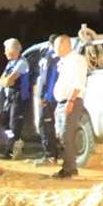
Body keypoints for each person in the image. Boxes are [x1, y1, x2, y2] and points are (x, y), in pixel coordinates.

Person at [51, 35, 89, 179]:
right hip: (62, 102)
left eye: (55, 46)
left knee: (67, 135)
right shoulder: (65, 61)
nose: (54, 49)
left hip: (71, 102)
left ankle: (68, 169)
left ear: (63, 45)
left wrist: (71, 101)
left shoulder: (76, 60)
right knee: (62, 135)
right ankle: (70, 167)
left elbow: (78, 83)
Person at [0, 38, 31, 160]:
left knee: (14, 125)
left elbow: (7, 81)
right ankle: (17, 141)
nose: (4, 52)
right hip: (10, 97)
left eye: (6, 50)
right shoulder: (11, 63)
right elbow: (2, 81)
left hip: (19, 98)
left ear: (13, 50)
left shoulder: (22, 63)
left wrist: (7, 81)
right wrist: (6, 81)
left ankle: (10, 151)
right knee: (2, 119)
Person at [33, 35, 62, 166]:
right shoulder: (63, 57)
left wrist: (43, 96)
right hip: (60, 96)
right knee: (56, 127)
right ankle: (56, 155)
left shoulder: (49, 57)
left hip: (49, 98)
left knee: (45, 126)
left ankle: (50, 156)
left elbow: (45, 78)